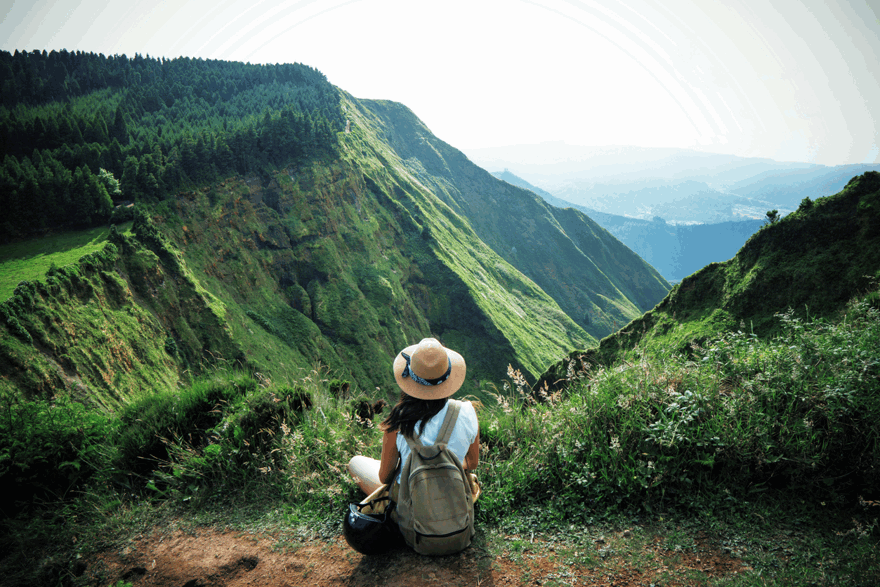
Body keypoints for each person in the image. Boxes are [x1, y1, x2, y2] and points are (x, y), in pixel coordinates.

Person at [347, 337, 480, 499]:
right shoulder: (467, 411)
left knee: (356, 463)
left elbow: (385, 478)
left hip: (411, 506)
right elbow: (472, 463)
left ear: (410, 379)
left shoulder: (399, 421)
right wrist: (443, 466)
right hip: (454, 502)